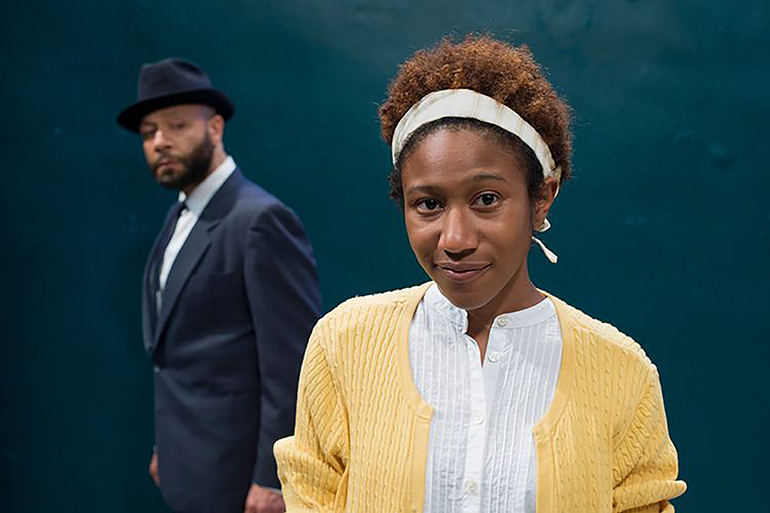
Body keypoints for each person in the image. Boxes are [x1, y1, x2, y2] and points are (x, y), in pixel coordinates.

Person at [274, 36, 686, 512]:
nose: (454, 238)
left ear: (542, 197)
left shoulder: (622, 371)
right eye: (428, 204)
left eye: (486, 199)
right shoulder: (343, 344)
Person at [117, 57, 321, 513]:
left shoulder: (259, 220)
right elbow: (183, 355)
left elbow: (292, 362)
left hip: (241, 479)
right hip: (188, 464)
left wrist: (274, 478)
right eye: (149, 132)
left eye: (175, 126)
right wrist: (166, 448)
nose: (160, 142)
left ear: (214, 128)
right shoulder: (179, 216)